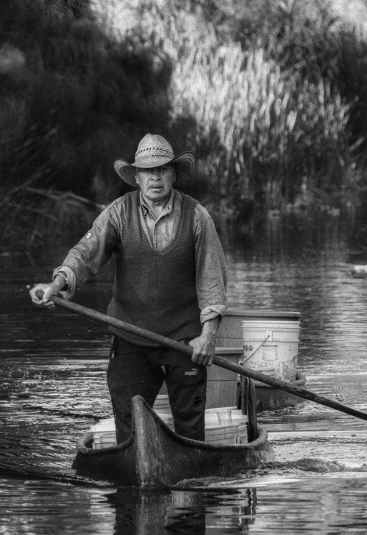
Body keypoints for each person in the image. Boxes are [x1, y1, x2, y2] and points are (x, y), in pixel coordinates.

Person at [30, 134, 227, 443]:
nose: (156, 177)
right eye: (148, 171)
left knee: (190, 429)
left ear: (174, 173)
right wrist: (56, 284)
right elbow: (85, 255)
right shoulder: (119, 212)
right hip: (131, 337)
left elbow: (212, 281)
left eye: (162, 169)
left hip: (185, 342)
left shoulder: (197, 216)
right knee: (129, 430)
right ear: (136, 177)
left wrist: (208, 335)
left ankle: (193, 479)